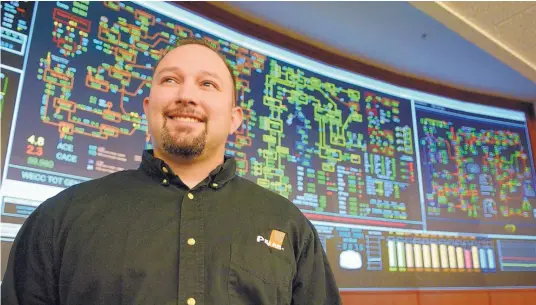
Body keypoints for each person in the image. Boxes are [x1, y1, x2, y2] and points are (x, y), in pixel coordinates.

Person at [1, 38, 342, 305]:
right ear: (148, 108)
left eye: (207, 84)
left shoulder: (289, 226)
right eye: (170, 80)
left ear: (235, 118)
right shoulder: (60, 217)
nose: (186, 95)